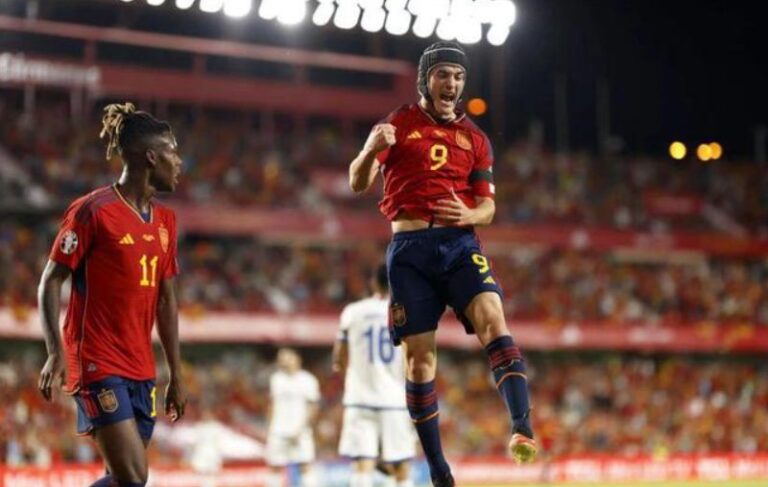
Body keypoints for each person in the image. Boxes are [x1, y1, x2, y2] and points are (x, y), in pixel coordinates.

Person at [347, 41, 537, 487]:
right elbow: (357, 182)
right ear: (425, 79)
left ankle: (522, 428)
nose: (452, 83)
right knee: (419, 362)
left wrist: (469, 214)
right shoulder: (397, 123)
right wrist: (370, 147)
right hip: (410, 250)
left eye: (458, 76)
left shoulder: (477, 139)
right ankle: (438, 468)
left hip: (459, 243)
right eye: (443, 75)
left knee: (493, 317)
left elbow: (488, 208)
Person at [37, 102, 186, 487]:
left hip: (142, 368)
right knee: (134, 476)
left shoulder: (166, 222)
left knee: (120, 481)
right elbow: (51, 280)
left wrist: (176, 373)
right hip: (97, 361)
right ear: (151, 157)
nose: (179, 162)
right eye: (173, 152)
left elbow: (167, 301)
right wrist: (54, 351)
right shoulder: (93, 211)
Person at [332, 264, 415, 487]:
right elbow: (416, 358)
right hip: (395, 400)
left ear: (373, 283)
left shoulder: (353, 312)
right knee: (401, 464)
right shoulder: (406, 312)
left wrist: (352, 378)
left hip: (360, 399)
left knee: (362, 463)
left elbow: (339, 358)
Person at [265, 348, 321, 487]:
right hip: (278, 431)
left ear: (297, 358)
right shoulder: (276, 379)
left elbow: (313, 407)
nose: (283, 361)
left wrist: (303, 427)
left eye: (287, 358)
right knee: (274, 466)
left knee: (305, 465)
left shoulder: (308, 380)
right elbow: (272, 404)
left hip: (301, 431)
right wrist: (270, 427)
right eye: (280, 359)